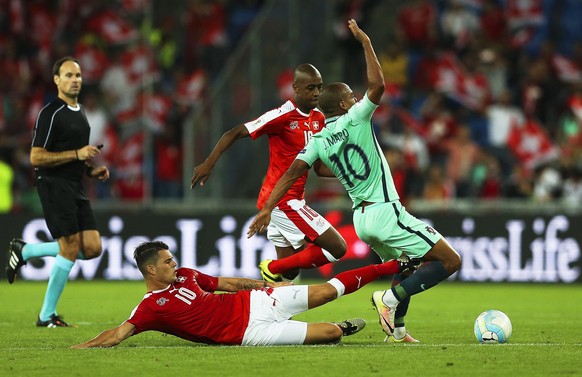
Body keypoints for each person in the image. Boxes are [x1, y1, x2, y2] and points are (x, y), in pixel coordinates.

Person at [248, 19, 462, 343]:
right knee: (450, 260)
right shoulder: (357, 117)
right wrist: (365, 41)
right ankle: (387, 301)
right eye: (352, 94)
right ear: (346, 103)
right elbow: (378, 86)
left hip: (361, 218)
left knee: (406, 266)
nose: (357, 96)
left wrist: (267, 209)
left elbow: (291, 173)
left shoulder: (317, 140)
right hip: (385, 210)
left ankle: (398, 330)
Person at [71, 240, 419, 348]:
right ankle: (341, 327)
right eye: (167, 261)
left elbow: (231, 284)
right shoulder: (150, 307)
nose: (174, 263)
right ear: (151, 271)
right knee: (330, 334)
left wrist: (271, 287)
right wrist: (82, 347)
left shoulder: (189, 276)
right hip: (250, 333)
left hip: (256, 301)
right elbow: (118, 334)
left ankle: (392, 266)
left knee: (327, 292)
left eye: (172, 257)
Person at [191, 63, 348, 283]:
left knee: (290, 272)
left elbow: (319, 167)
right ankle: (271, 268)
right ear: (296, 87)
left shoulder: (318, 119)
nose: (316, 93)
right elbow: (235, 132)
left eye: (319, 87)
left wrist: (349, 173)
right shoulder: (282, 115)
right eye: (311, 87)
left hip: (287, 199)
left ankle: (269, 304)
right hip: (283, 200)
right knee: (337, 247)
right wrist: (209, 163)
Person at [5, 57, 109, 327]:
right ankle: (45, 315)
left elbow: (75, 157)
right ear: (56, 80)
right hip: (53, 184)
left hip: (76, 185)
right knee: (69, 248)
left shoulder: (81, 112)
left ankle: (25, 251)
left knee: (93, 247)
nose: (75, 80)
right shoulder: (51, 113)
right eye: (68, 75)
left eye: (78, 75)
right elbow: (36, 157)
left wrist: (90, 170)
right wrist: (78, 154)